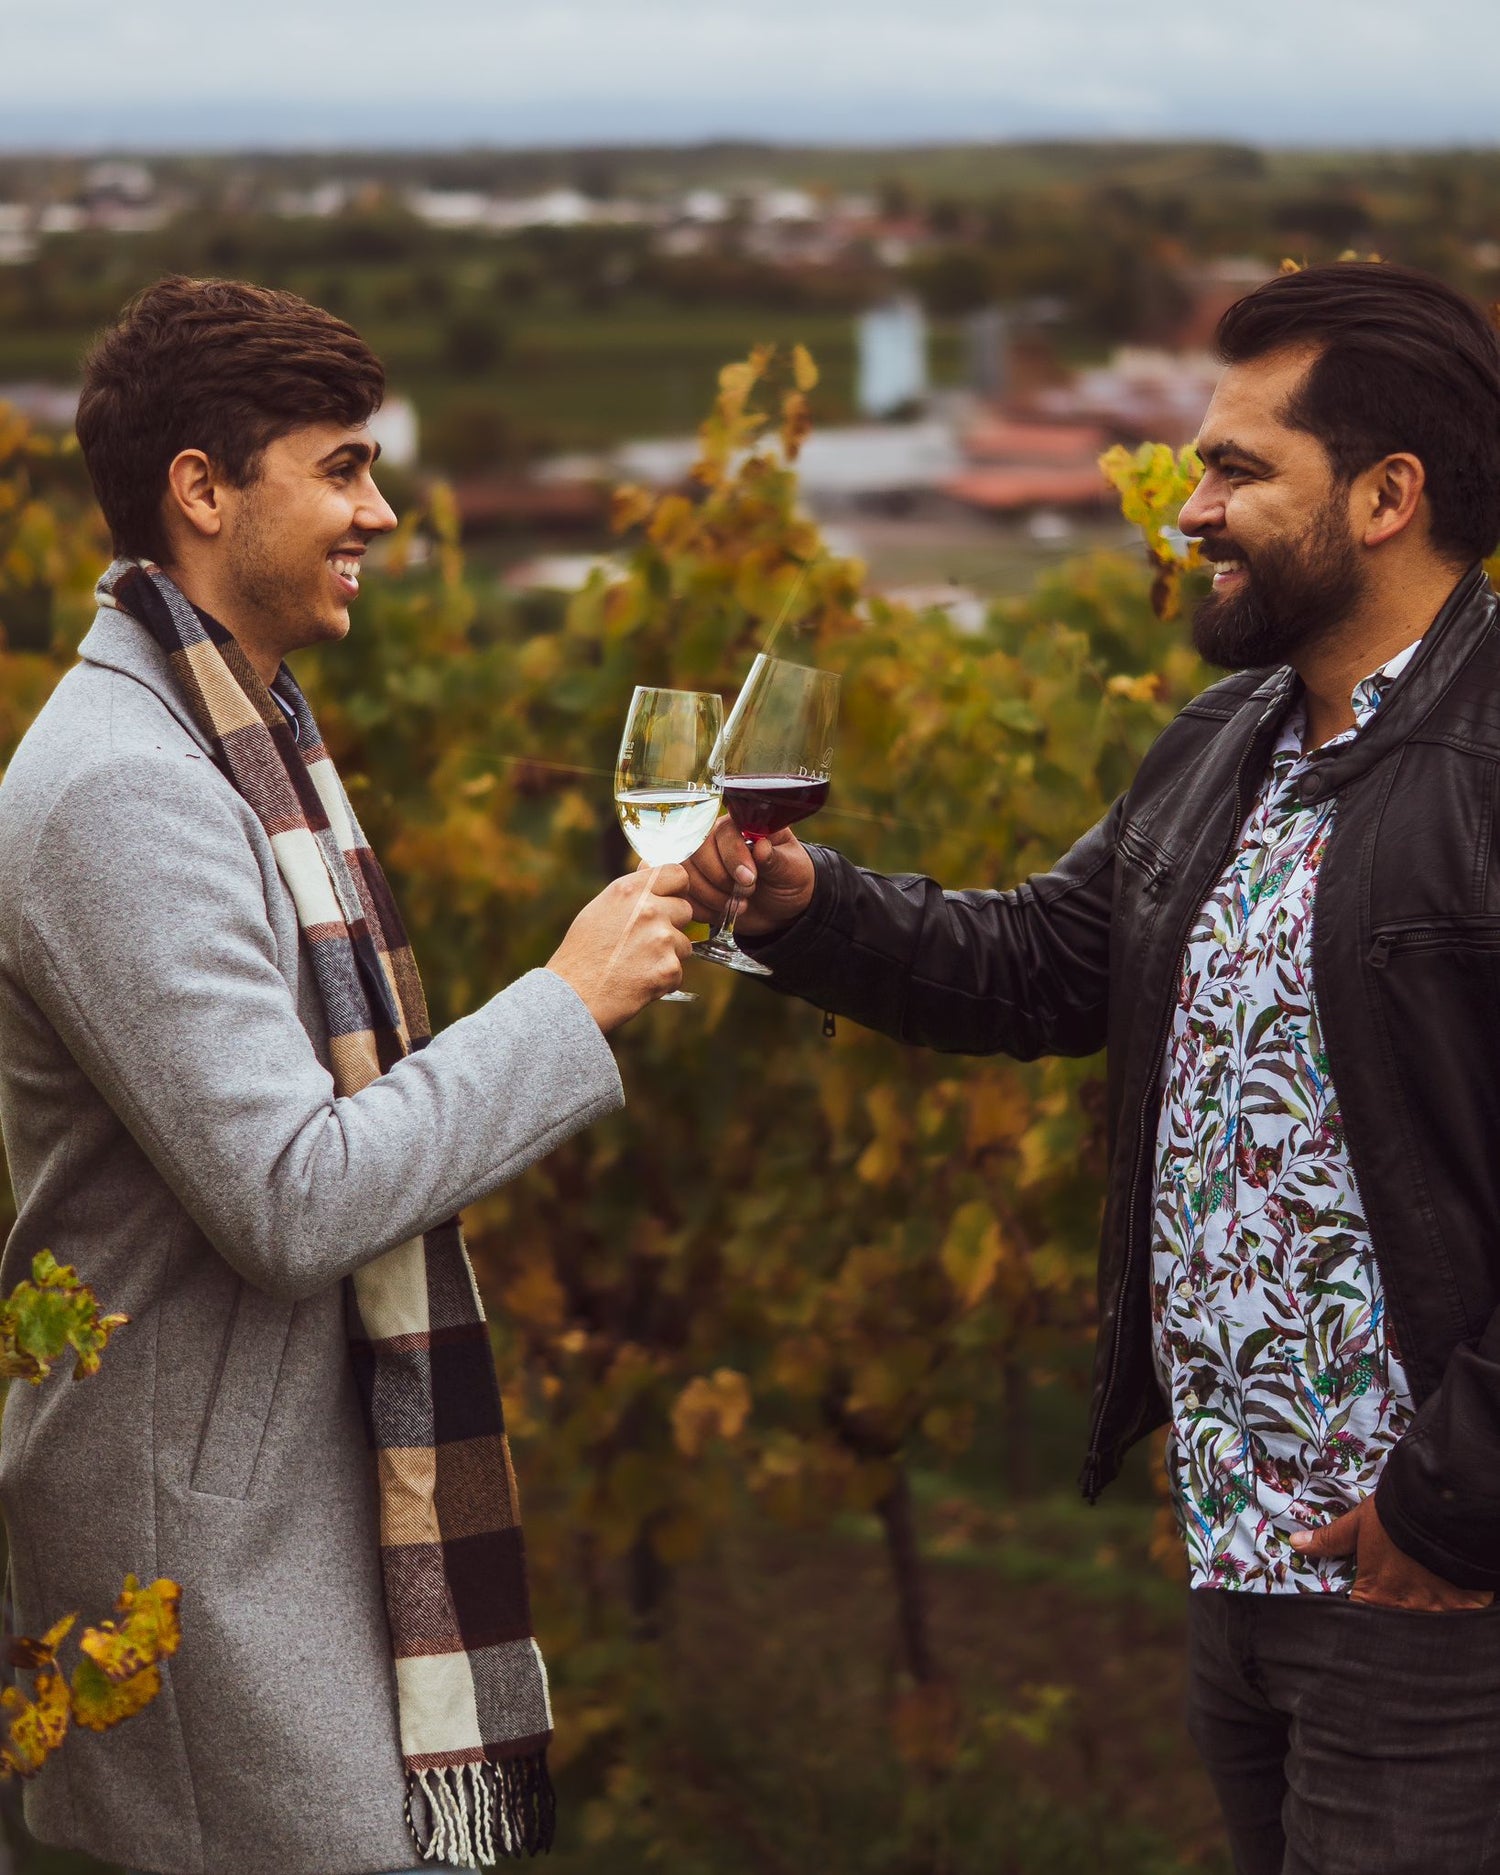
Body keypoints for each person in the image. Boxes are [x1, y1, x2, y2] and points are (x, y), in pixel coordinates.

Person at [684, 261, 1500, 1875]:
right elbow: (1050, 964)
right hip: (1243, 1564)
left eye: (1236, 470)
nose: (1187, 510)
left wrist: (1451, 1508)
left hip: (1437, 1592)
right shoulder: (1229, 739)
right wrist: (807, 907)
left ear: (1391, 495)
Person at [0, 276, 693, 1875]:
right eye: (342, 468)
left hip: (279, 1514)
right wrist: (568, 1005)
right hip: (210, 1554)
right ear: (201, 488)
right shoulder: (130, 791)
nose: (379, 512)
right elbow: (292, 1197)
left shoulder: (235, 739)